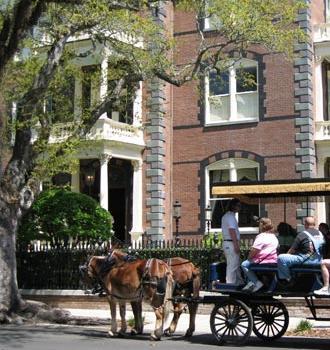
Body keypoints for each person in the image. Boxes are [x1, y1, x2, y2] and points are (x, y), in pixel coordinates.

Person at [277, 217, 325, 283]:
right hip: (319, 259)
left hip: (307, 260)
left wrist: (286, 255)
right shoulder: (321, 234)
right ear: (314, 224)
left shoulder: (302, 234)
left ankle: (288, 279)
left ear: (305, 224)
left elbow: (292, 250)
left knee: (281, 258)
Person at [241, 218, 279, 292]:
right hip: (273, 260)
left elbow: (255, 250)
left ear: (261, 225)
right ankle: (251, 282)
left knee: (244, 264)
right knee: (250, 264)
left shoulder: (261, 236)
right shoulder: (274, 237)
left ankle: (256, 282)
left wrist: (249, 257)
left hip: (263, 260)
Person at [221, 198, 244, 285]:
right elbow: (232, 231)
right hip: (231, 243)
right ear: (233, 206)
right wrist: (236, 245)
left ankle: (239, 283)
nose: (240, 207)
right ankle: (230, 284)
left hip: (229, 243)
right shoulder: (230, 217)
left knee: (235, 264)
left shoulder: (228, 216)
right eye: (238, 206)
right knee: (233, 265)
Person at [314, 223, 330, 295]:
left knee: (323, 263)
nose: (319, 230)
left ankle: (326, 288)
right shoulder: (323, 237)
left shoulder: (327, 237)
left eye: (321, 229)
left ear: (325, 229)